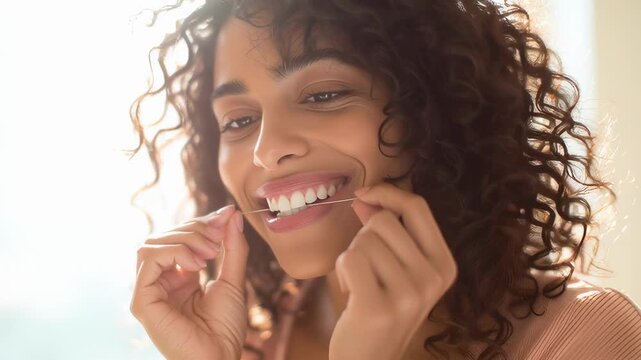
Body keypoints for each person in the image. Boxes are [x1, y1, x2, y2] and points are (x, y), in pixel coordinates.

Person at [128, 0, 641, 359]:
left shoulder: (584, 338)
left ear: (433, 111)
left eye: (323, 94)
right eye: (238, 121)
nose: (266, 150)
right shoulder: (245, 341)